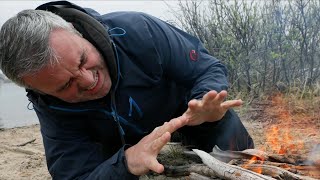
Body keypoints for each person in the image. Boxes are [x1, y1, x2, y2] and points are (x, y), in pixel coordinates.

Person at [0, 1, 254, 179]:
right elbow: (74, 175)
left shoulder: (138, 31)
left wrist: (204, 104)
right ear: (42, 92)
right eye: (66, 85)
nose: (89, 80)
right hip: (122, 146)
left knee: (242, 150)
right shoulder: (50, 106)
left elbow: (206, 66)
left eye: (82, 60)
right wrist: (126, 162)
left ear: (78, 33)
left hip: (186, 115)